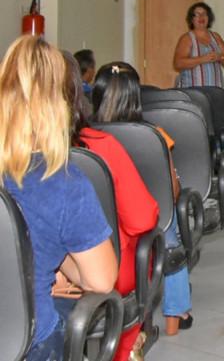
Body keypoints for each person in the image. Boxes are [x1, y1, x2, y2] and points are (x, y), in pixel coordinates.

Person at [0, 36, 117, 361]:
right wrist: (60, 262)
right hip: (26, 341)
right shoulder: (63, 182)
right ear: (58, 103)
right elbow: (102, 279)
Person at [56, 52, 159, 361]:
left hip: (29, 277)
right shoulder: (101, 146)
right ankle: (126, 348)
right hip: (103, 270)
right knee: (141, 252)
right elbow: (142, 219)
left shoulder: (13, 152)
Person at [92, 61, 195, 336]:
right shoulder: (155, 136)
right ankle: (178, 311)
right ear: (136, 96)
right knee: (169, 227)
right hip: (146, 224)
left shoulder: (84, 136)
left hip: (99, 225)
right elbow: (171, 190)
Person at [173, 2, 224, 88]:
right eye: (197, 14)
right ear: (192, 19)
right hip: (192, 93)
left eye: (204, 14)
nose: (201, 17)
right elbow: (178, 63)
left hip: (216, 92)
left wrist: (220, 57)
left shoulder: (216, 37)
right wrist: (203, 59)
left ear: (209, 18)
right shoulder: (187, 38)